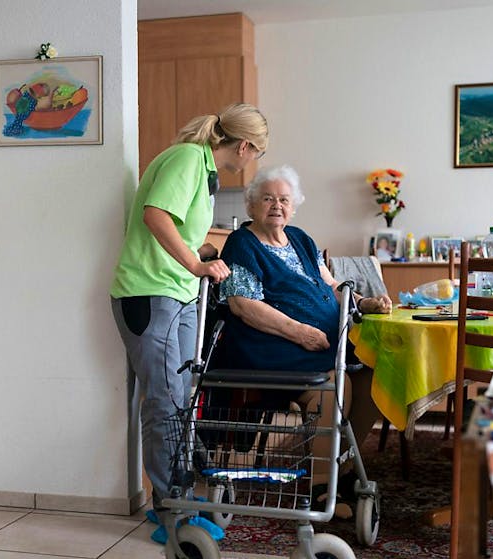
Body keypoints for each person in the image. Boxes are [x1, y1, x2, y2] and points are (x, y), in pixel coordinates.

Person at [110, 103, 268, 543]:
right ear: (245, 146)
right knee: (164, 401)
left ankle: (176, 494)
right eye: (256, 153)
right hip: (148, 293)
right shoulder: (185, 158)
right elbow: (155, 217)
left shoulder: (203, 169)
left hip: (175, 294)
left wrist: (203, 256)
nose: (252, 162)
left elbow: (181, 232)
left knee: (180, 399)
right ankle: (169, 508)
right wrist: (195, 266)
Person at [213, 164, 391, 514]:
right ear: (251, 206)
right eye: (267, 199)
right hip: (269, 348)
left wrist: (364, 302)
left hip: (319, 344)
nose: (276, 206)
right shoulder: (242, 244)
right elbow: (244, 306)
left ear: (293, 206)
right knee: (334, 385)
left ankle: (345, 469)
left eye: (283, 199)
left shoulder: (301, 239)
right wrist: (299, 332)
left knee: (372, 376)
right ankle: (324, 487)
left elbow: (331, 286)